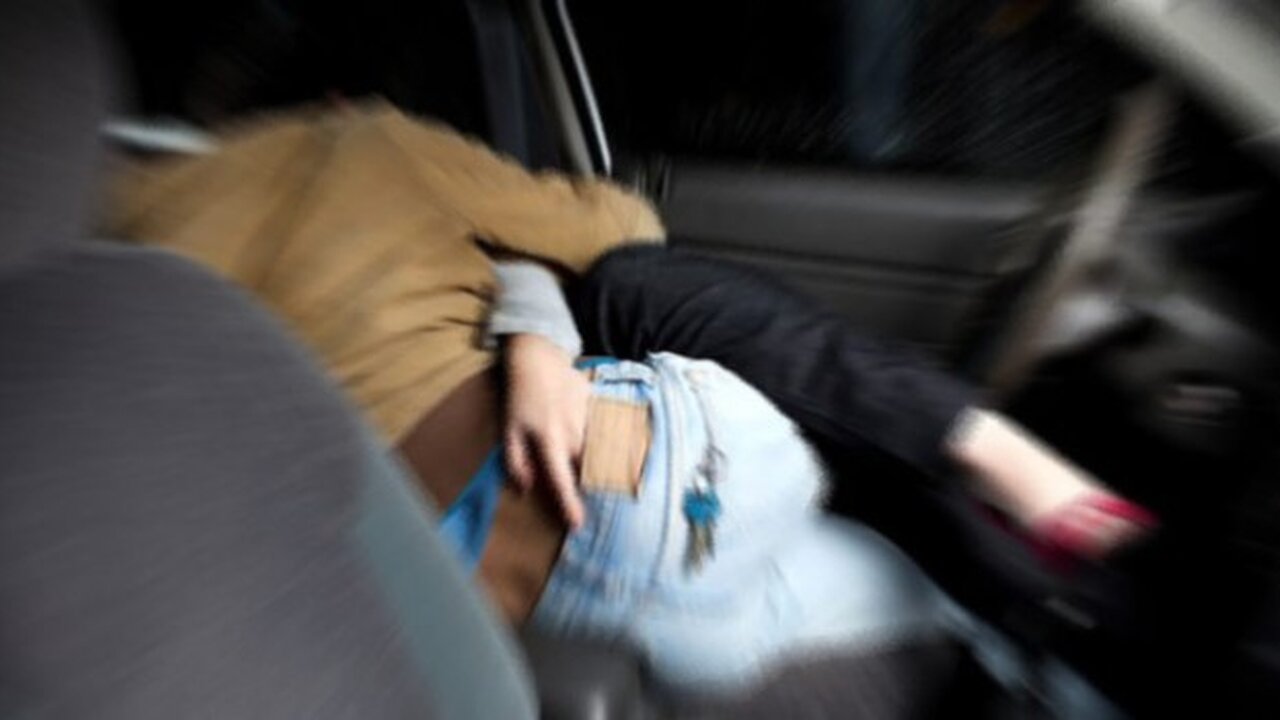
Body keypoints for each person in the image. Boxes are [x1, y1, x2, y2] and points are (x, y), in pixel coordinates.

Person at [107, 103, 1154, 695]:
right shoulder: (350, 145)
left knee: (916, 578)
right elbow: (612, 223)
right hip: (652, 460)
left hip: (561, 599)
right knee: (634, 286)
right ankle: (991, 457)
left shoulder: (81, 324)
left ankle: (1038, 626)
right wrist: (535, 335)